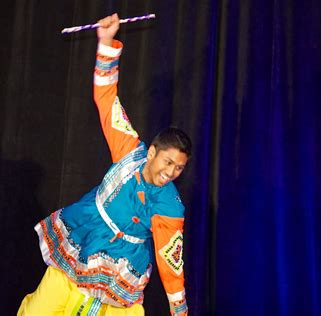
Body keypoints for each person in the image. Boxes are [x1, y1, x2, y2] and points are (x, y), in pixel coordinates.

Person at [18, 13, 191, 316]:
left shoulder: (170, 206)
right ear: (152, 152)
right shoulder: (129, 150)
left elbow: (170, 262)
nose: (171, 172)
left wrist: (180, 311)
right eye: (168, 161)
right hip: (86, 237)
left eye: (179, 168)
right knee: (40, 310)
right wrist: (106, 42)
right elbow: (106, 99)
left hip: (123, 266)